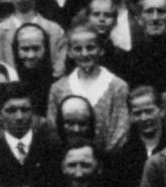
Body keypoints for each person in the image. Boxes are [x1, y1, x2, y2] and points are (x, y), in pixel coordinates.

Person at [48, 24, 131, 152]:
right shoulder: (58, 88)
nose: (85, 53)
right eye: (78, 49)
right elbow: (54, 128)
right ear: (69, 52)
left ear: (101, 50)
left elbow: (120, 129)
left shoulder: (117, 86)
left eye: (90, 47)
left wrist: (101, 157)